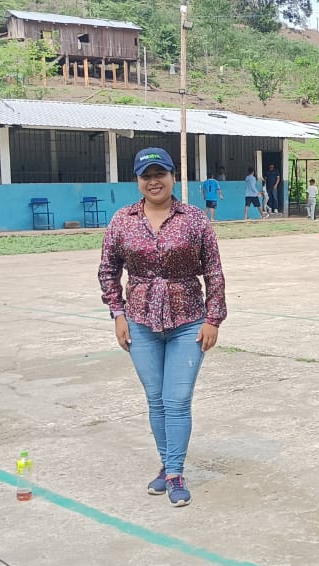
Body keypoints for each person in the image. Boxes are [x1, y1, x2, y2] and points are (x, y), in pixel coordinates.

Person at [99, 147, 226, 507]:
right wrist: (118, 314)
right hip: (139, 321)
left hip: (189, 321)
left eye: (160, 174)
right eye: (146, 176)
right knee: (155, 399)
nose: (154, 182)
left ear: (173, 177)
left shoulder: (195, 219)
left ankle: (174, 472)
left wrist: (213, 319)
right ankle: (168, 465)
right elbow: (108, 270)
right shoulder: (122, 221)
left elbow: (213, 271)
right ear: (137, 181)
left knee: (177, 399)